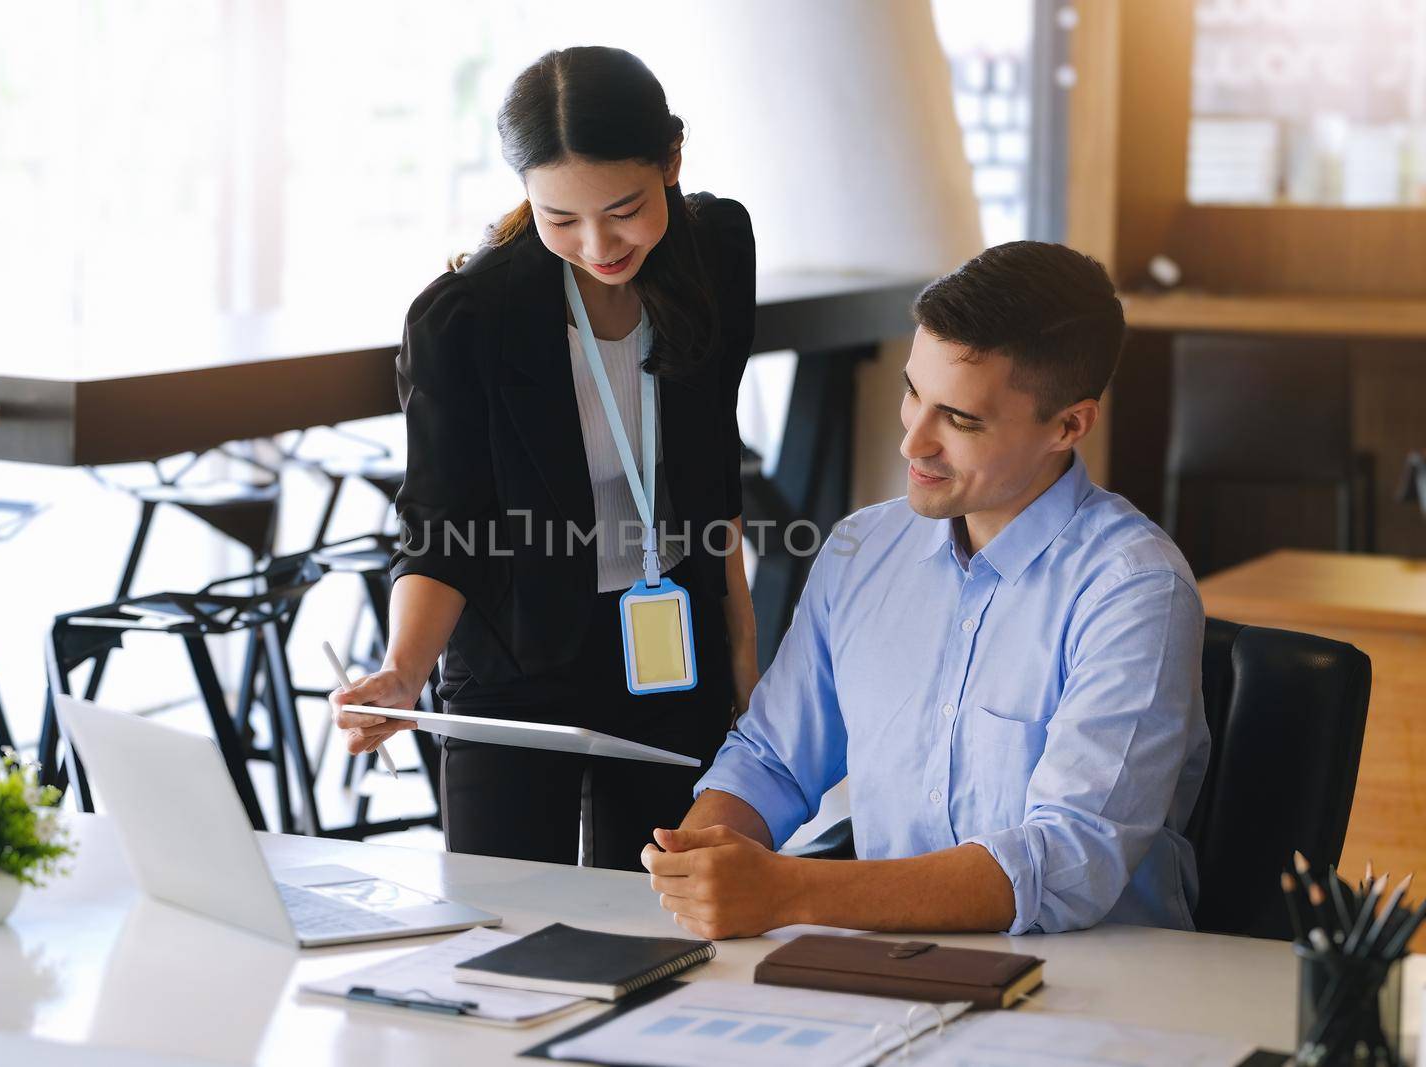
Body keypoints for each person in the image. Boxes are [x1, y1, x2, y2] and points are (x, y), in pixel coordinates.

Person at [642, 241, 1211, 938]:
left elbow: (1066, 860)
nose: (914, 442)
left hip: (1089, 992)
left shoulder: (1135, 589)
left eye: (960, 419)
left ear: (1068, 425)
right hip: (894, 972)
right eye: (915, 393)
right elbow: (772, 759)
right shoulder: (861, 550)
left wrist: (787, 889)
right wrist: (701, 861)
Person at [329, 46, 758, 871]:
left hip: (671, 646)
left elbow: (714, 472)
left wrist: (746, 663)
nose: (598, 243)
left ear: (672, 161)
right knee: (505, 921)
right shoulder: (468, 318)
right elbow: (442, 526)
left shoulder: (718, 250)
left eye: (625, 208)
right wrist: (400, 672)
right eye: (560, 218)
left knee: (659, 914)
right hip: (518, 652)